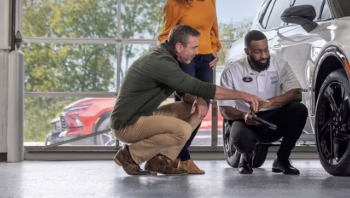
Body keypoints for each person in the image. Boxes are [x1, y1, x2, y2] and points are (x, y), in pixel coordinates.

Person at [111, 24, 268, 176]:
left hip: (143, 116)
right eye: (194, 48)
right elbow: (199, 86)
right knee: (183, 130)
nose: (197, 52)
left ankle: (160, 160)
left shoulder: (169, 58)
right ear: (179, 47)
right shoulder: (162, 63)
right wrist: (243, 95)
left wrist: (198, 99)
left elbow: (186, 92)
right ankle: (130, 155)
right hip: (127, 124)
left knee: (194, 109)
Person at [156, 0, 221, 174]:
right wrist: (178, 58)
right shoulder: (175, 3)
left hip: (206, 60)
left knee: (203, 109)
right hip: (187, 60)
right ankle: (183, 158)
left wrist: (214, 49)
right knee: (188, 107)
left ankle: (175, 156)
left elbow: (213, 25)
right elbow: (165, 36)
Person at [218, 30, 309, 175]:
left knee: (299, 109)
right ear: (247, 51)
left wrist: (269, 102)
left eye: (266, 50)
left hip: (274, 119)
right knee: (241, 137)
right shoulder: (231, 71)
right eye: (258, 51)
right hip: (246, 120)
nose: (264, 56)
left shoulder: (280, 65)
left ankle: (282, 160)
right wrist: (244, 116)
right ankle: (246, 158)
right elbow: (225, 110)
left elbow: (296, 94)